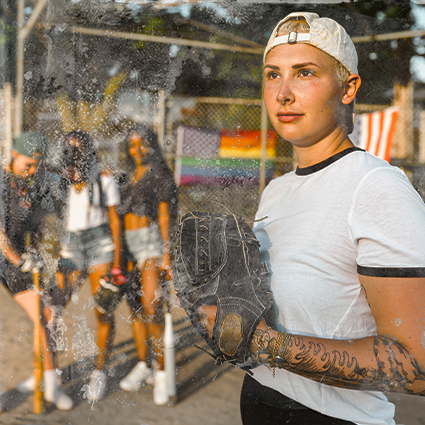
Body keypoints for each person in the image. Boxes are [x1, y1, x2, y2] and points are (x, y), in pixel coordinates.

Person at [201, 12, 425, 425]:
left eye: (304, 73)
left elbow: (415, 365)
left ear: (348, 87)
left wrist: (266, 343)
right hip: (261, 400)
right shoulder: (278, 189)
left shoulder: (376, 187)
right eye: (272, 75)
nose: (283, 93)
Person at [0, 131, 73, 410]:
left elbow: (38, 225)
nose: (31, 171)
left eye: (36, 166)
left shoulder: (32, 184)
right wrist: (18, 259)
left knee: (46, 315)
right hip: (8, 255)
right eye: (27, 164)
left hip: (15, 260)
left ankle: (50, 384)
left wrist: (35, 253)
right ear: (14, 154)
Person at [58, 130, 121, 402]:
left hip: (99, 243)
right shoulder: (60, 177)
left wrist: (117, 261)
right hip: (72, 245)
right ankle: (52, 373)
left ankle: (99, 370)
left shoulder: (103, 178)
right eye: (69, 148)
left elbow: (115, 221)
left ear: (89, 151)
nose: (74, 153)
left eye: (79, 148)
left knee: (103, 307)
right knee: (55, 305)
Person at [117, 124, 177, 406]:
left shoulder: (159, 174)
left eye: (142, 144)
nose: (137, 149)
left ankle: (164, 373)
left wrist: (167, 254)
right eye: (132, 144)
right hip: (128, 248)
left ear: (151, 145)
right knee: (137, 309)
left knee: (153, 306)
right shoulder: (127, 176)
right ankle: (146, 364)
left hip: (151, 244)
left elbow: (165, 214)